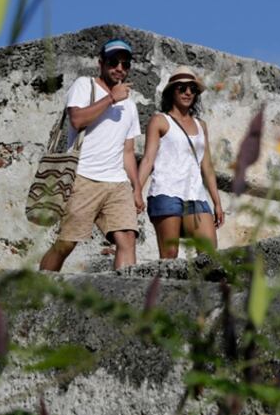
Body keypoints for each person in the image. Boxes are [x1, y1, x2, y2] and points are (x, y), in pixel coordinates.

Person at [38, 38, 143, 271]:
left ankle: (124, 299)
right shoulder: (85, 86)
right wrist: (111, 98)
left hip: (117, 182)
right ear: (101, 63)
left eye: (125, 64)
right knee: (66, 243)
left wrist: (136, 187)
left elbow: (128, 151)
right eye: (114, 62)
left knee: (127, 239)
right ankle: (40, 291)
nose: (119, 68)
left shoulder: (131, 106)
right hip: (83, 177)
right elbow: (77, 119)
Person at [135, 66, 224, 258]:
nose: (188, 92)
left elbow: (207, 166)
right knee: (170, 256)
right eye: (182, 88)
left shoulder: (202, 125)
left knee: (210, 255)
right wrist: (136, 190)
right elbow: (148, 158)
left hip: (196, 196)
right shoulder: (160, 121)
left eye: (192, 88)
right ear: (172, 91)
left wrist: (217, 202)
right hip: (166, 192)